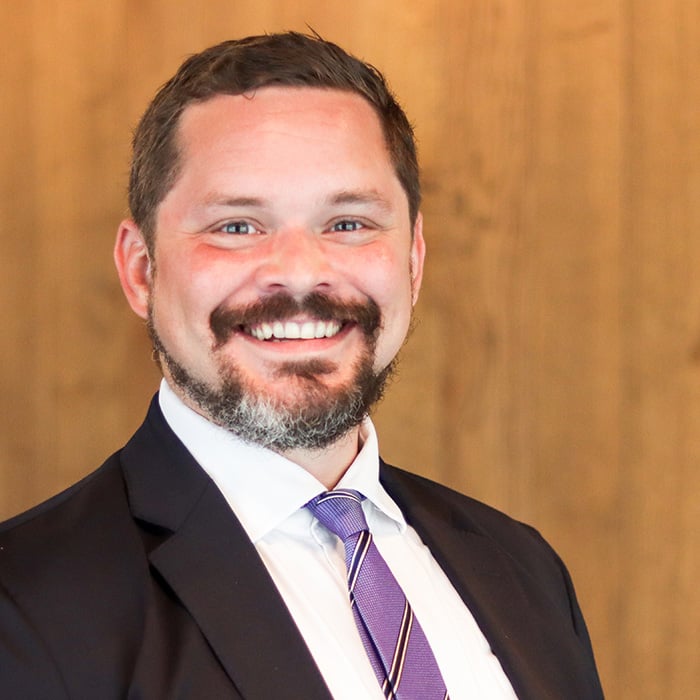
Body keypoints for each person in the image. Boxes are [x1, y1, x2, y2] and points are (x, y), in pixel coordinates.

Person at [0, 33, 604, 699]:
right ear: (141, 270)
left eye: (348, 223)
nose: (299, 272)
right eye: (236, 226)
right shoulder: (24, 604)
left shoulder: (523, 569)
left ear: (413, 260)